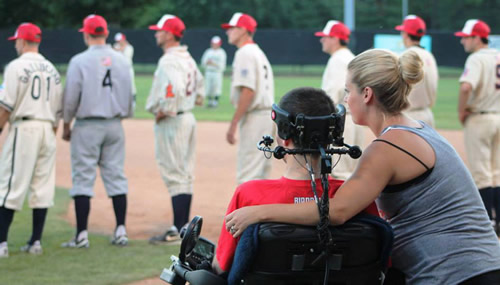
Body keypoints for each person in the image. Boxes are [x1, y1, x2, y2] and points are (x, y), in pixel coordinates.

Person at [225, 49, 500, 284]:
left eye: (348, 91)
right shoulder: (413, 130)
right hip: (477, 266)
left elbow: (337, 211)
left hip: (458, 273)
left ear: (367, 94)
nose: (345, 99)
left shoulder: (389, 147)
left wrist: (256, 213)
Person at [212, 87, 380, 274]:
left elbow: (221, 267)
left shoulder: (249, 195)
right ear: (332, 137)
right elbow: (380, 264)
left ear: (284, 138)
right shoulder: (356, 199)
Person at [62, 14, 134, 248]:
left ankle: (82, 235)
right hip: (114, 124)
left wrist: (66, 122)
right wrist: (123, 114)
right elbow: (129, 94)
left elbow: (71, 96)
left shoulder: (79, 61)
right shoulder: (122, 59)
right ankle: (121, 231)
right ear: (104, 33)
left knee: (83, 177)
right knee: (116, 177)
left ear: (86, 33)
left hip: (87, 125)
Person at [0, 23, 63, 257]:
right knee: (43, 186)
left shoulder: (15, 67)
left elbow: (5, 105)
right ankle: (35, 242)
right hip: (48, 129)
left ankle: (1, 243)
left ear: (23, 41)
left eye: (16, 40)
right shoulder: (52, 69)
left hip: (24, 128)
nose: (16, 44)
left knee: (9, 186)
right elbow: (58, 111)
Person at [146, 14, 204, 244]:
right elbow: (199, 85)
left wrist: (164, 110)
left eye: (159, 30)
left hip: (174, 119)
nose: (156, 33)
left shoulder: (169, 60)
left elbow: (174, 88)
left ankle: (179, 229)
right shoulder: (186, 56)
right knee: (185, 174)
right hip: (187, 117)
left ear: (169, 34)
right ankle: (182, 226)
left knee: (175, 174)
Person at [455, 19, 500, 234]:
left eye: (465, 37)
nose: (463, 41)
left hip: (480, 118)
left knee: (481, 172)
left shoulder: (476, 58)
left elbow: (466, 87)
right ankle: (498, 219)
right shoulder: (498, 54)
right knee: (497, 171)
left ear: (476, 38)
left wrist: (461, 110)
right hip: (498, 116)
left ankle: (487, 222)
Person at [222, 12, 275, 185]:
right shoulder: (257, 51)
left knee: (248, 175)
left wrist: (233, 123)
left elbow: (248, 91)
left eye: (232, 28)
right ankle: (260, 212)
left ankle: (243, 212)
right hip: (267, 116)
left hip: (255, 118)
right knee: (261, 174)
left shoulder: (244, 52)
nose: (228, 32)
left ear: (243, 30)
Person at [316, 20, 365, 180]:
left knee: (339, 174)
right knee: (352, 172)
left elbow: (333, 95)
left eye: (326, 37)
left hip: (342, 122)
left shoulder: (337, 59)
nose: (322, 40)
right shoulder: (351, 57)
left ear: (335, 39)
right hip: (355, 119)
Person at [396, 15, 439, 127]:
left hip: (409, 116)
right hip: (427, 114)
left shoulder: (406, 55)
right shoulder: (429, 55)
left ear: (405, 34)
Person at [200, 35, 227, 108]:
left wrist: (213, 64)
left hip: (217, 72)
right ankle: (209, 101)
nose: (214, 45)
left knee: (216, 87)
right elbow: (203, 62)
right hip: (209, 72)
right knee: (208, 87)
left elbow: (222, 66)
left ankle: (215, 102)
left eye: (216, 43)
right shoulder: (208, 52)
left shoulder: (221, 52)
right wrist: (207, 63)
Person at [113, 32, 137, 99]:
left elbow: (126, 59)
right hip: (118, 69)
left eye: (120, 40)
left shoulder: (129, 47)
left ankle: (132, 98)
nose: (119, 42)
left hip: (128, 69)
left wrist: (119, 49)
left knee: (131, 86)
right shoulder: (116, 46)